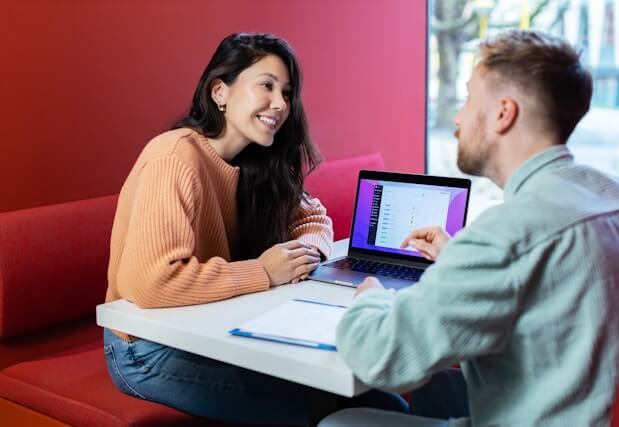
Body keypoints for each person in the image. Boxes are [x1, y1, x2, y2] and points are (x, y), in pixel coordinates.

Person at [320, 29, 619, 426]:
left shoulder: (504, 235)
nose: (457, 116)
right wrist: (459, 259)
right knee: (433, 388)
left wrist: (371, 297)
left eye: (469, 97)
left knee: (340, 422)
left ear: (504, 113)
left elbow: (378, 357)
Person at [103, 33, 407, 425]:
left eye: (286, 91)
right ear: (220, 92)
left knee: (381, 401)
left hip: (219, 331)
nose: (280, 104)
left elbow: (313, 219)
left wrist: (301, 256)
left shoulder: (259, 160)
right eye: (266, 85)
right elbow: (150, 281)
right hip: (145, 350)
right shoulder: (174, 155)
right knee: (342, 411)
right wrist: (263, 271)